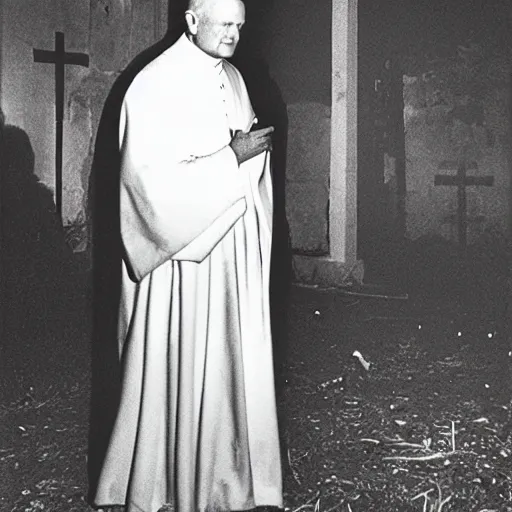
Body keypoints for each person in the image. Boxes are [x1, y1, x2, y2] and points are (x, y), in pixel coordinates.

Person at [93, 0, 283, 511]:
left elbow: (245, 160)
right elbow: (147, 189)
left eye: (240, 27)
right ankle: (168, 483)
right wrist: (232, 159)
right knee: (177, 368)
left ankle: (223, 477)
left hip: (226, 258)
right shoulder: (153, 85)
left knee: (224, 369)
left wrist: (249, 159)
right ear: (192, 20)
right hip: (178, 270)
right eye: (224, 25)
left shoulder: (236, 79)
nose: (233, 37)